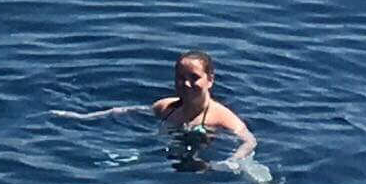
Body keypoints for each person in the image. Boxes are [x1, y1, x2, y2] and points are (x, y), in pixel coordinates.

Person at [56, 51, 258, 163]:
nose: (186, 84)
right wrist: (81, 117)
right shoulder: (166, 107)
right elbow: (125, 111)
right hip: (167, 153)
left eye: (194, 78)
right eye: (181, 78)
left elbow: (249, 141)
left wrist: (232, 161)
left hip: (206, 159)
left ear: (210, 79)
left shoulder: (223, 118)